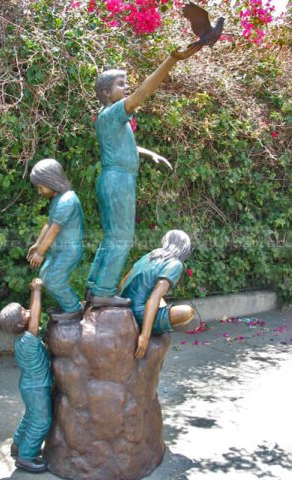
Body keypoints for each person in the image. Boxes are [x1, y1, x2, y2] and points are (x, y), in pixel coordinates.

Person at [86, 44, 202, 308]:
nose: (126, 88)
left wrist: (148, 153)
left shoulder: (108, 118)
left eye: (126, 83)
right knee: (122, 238)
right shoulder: (114, 112)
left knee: (111, 238)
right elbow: (141, 94)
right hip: (119, 180)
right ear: (106, 93)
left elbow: (122, 146)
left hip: (113, 178)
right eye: (120, 84)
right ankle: (104, 291)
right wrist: (171, 59)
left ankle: (95, 286)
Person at [0, 278, 52, 473]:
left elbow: (35, 320)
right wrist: (36, 291)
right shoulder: (28, 341)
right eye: (25, 312)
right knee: (41, 421)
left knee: (31, 416)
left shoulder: (22, 339)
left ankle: (17, 444)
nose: (29, 311)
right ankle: (26, 456)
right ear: (21, 323)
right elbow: (36, 315)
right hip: (37, 387)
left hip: (29, 386)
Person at [119, 230, 197, 359]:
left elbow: (124, 282)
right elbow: (154, 298)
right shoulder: (175, 264)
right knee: (188, 312)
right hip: (139, 314)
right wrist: (145, 336)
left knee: (161, 300)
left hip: (125, 306)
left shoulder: (150, 255)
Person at [28, 159, 84, 322]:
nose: (39, 191)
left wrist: (40, 253)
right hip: (58, 249)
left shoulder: (67, 201)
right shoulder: (58, 199)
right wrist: (38, 244)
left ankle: (74, 308)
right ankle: (66, 305)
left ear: (51, 181)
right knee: (45, 276)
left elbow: (54, 230)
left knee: (53, 280)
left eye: (40, 187)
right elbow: (49, 224)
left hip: (68, 250)